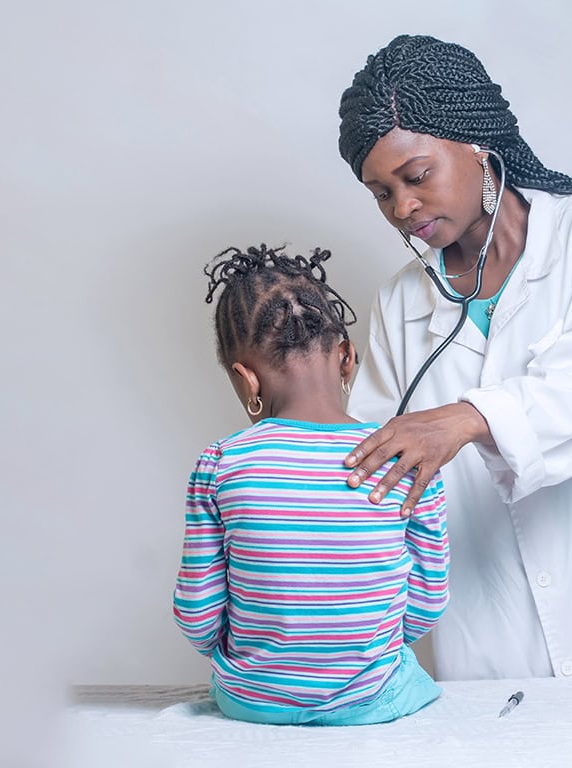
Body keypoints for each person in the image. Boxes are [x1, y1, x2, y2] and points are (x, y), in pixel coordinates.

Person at [336, 35, 572, 681]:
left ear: (476, 144)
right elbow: (372, 461)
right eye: (380, 193)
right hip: (487, 632)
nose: (402, 208)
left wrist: (462, 420)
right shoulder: (401, 302)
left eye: (416, 176)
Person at [173, 243, 449, 725]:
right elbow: (426, 605)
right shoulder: (408, 458)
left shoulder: (220, 463)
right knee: (408, 678)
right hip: (372, 699)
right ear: (347, 357)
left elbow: (197, 618)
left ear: (246, 381)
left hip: (254, 702)